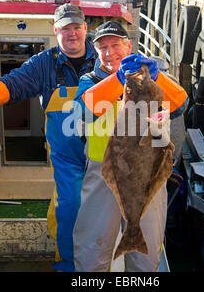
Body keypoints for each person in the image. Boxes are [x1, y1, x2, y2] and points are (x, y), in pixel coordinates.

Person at [0, 3, 97, 272]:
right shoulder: (44, 64)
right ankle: (68, 265)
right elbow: (12, 83)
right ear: (55, 31)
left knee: (107, 210)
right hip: (68, 158)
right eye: (65, 29)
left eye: (77, 27)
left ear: (86, 28)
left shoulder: (104, 57)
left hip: (105, 154)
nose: (72, 34)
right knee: (70, 207)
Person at [73, 21, 189, 272]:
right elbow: (83, 111)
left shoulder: (154, 78)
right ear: (96, 52)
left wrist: (158, 78)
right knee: (93, 247)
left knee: (147, 255)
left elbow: (180, 105)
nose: (109, 52)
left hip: (148, 175)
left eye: (115, 45)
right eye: (102, 47)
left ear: (129, 46)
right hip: (105, 177)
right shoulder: (90, 81)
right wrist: (118, 78)